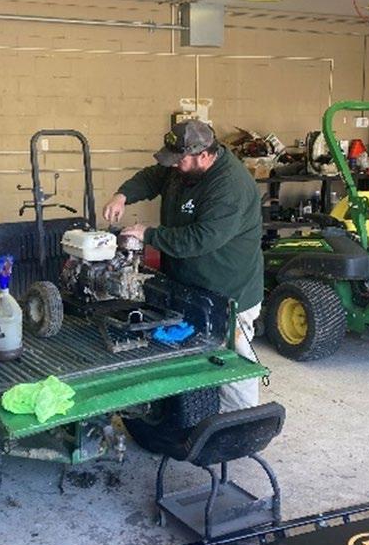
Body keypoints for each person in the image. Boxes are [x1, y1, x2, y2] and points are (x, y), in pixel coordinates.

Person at [103, 119, 264, 412]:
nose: (174, 165)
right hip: (189, 285)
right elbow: (153, 177)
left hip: (228, 292)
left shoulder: (230, 187)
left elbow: (200, 239)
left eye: (179, 160)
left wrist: (148, 234)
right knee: (190, 354)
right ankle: (189, 414)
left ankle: (239, 422)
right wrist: (122, 195)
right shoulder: (181, 168)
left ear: (204, 156)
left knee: (232, 361)